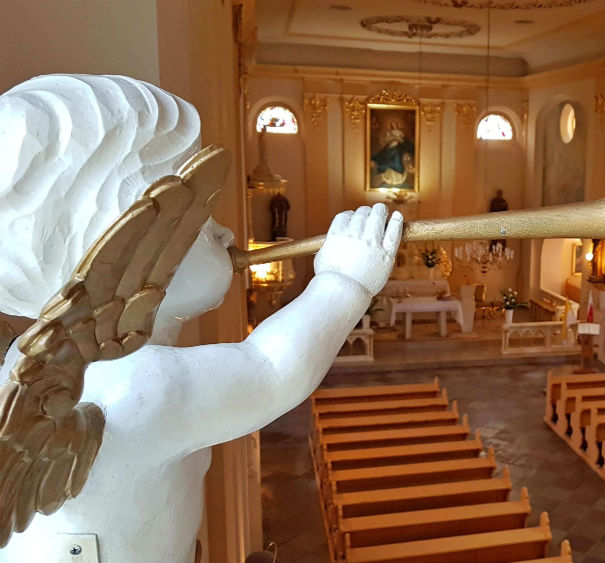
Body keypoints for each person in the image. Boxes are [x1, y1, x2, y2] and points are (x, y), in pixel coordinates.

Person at [0, 75, 402, 563]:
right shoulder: (140, 384)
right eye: (202, 218)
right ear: (132, 249)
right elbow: (270, 370)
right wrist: (345, 281)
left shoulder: (26, 363)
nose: (227, 232)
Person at [370, 119, 415, 189]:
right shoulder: (389, 133)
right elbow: (386, 140)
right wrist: (392, 139)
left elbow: (402, 140)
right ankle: (390, 180)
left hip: (398, 150)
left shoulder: (400, 133)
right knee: (388, 161)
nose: (394, 126)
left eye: (395, 124)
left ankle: (397, 179)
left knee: (397, 161)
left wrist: (398, 139)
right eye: (392, 125)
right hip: (390, 148)